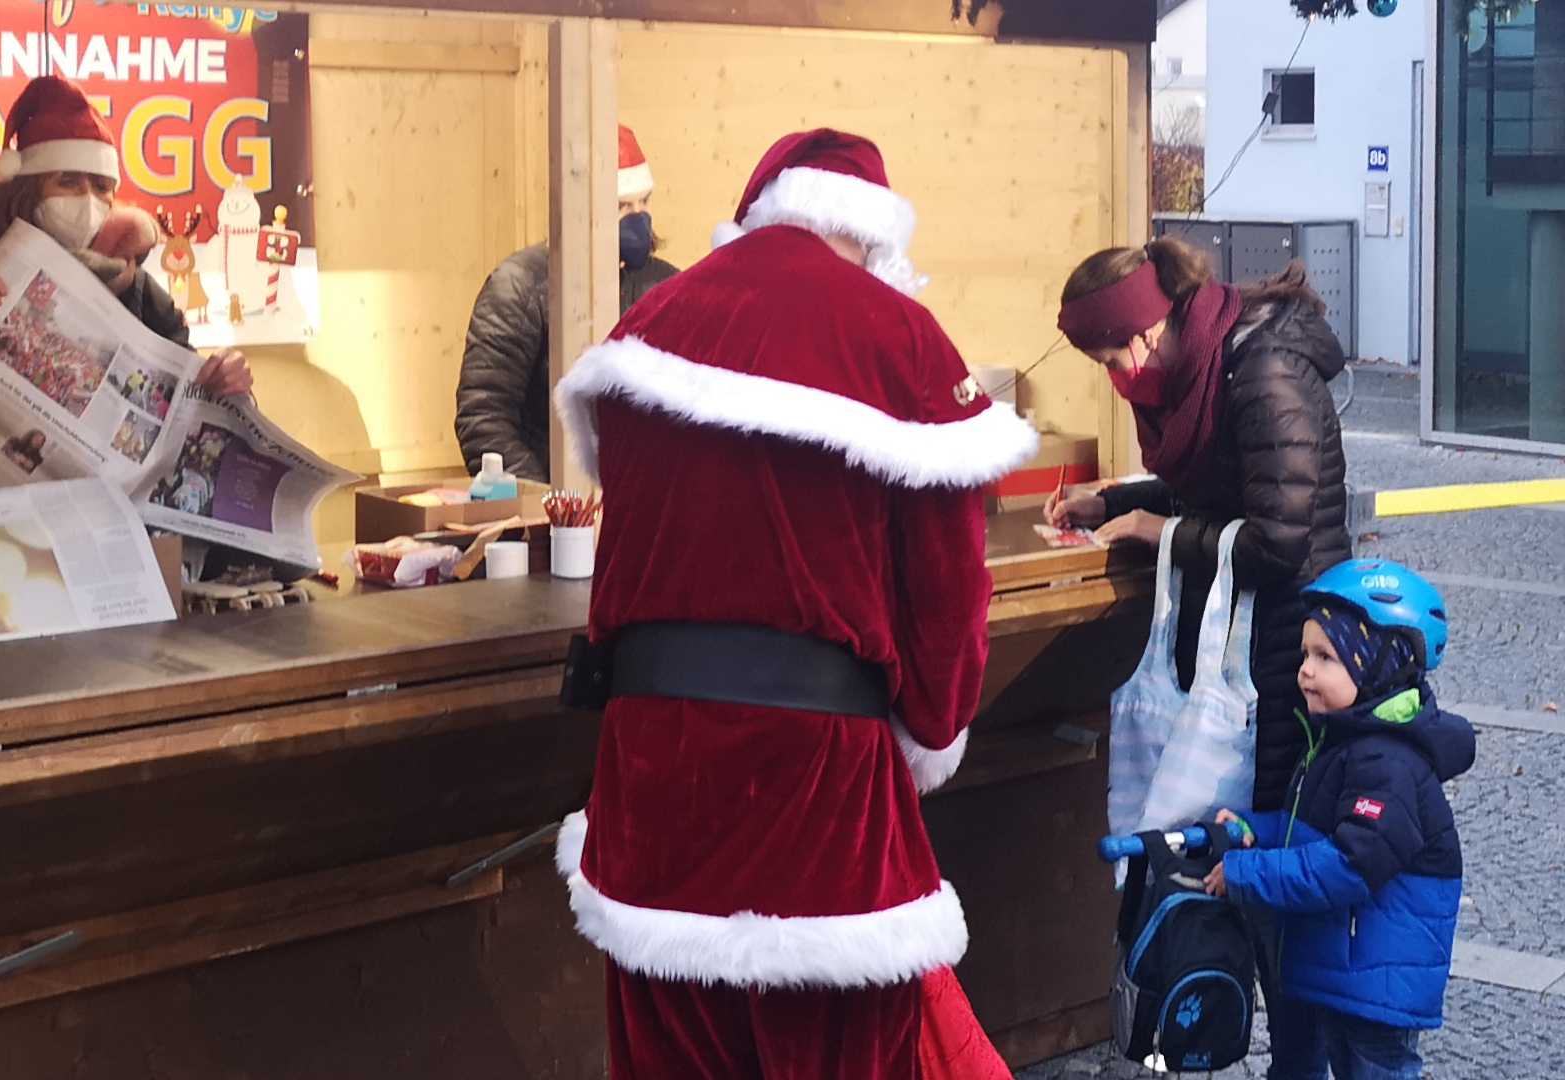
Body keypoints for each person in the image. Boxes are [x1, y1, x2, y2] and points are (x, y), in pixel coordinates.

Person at [552, 129, 1040, 1080]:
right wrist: (932, 732)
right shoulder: (898, 339)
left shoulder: (648, 325)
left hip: (653, 772)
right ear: (874, 235)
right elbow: (947, 600)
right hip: (817, 790)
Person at [1047, 237, 1350, 813]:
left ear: (1144, 333)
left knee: (1258, 826)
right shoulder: (1205, 368)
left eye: (1111, 361)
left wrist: (1155, 530)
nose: (1115, 377)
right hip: (1246, 629)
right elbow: (1214, 484)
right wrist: (1110, 504)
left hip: (1286, 638)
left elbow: (1279, 540)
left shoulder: (1264, 371)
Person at [1204, 558, 1472, 1080]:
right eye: (1306, 654)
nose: (1305, 669)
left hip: (1376, 986)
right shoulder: (1338, 742)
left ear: (1378, 665)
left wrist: (1248, 874)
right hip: (1344, 968)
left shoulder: (1386, 764)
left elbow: (1349, 864)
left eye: (1325, 656)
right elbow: (1311, 826)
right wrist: (1258, 829)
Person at [0, 75, 252, 400]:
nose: (88, 199)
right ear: (26, 193)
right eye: (68, 182)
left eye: (100, 186)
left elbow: (194, 391)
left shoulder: (140, 293)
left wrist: (228, 384)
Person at [454, 124, 678, 482]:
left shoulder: (666, 287)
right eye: (622, 206)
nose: (638, 217)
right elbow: (485, 417)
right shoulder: (518, 287)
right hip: (551, 506)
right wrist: (549, 506)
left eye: (645, 201)